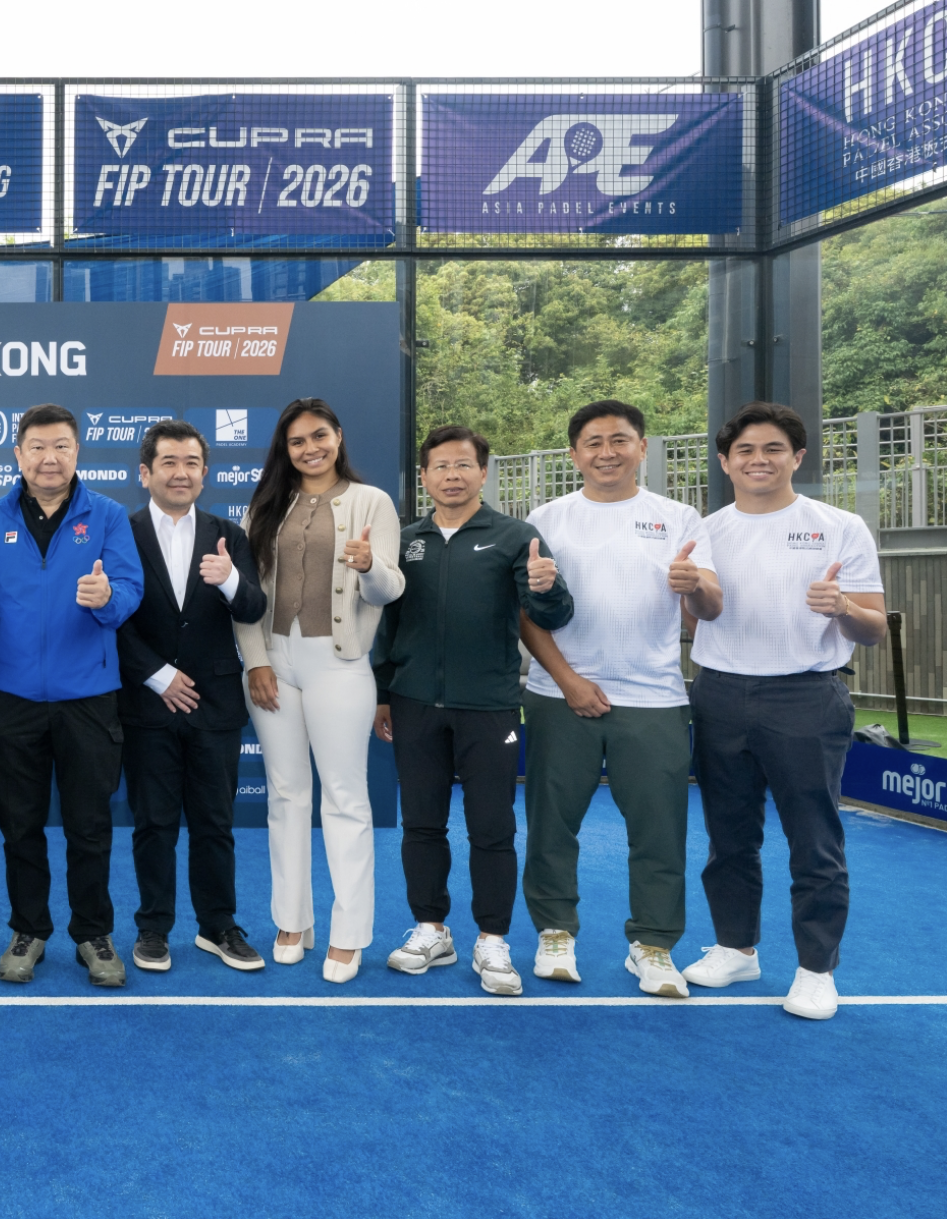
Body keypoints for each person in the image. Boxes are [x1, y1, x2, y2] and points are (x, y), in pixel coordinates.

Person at [678, 401, 885, 1021]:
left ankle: (816, 970)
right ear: (725, 462)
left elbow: (874, 627)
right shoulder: (705, 530)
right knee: (728, 835)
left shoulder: (840, 526)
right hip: (719, 692)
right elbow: (700, 618)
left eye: (773, 449)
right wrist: (691, 591)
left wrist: (843, 608)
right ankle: (735, 947)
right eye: (744, 450)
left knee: (814, 840)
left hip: (806, 696)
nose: (758, 460)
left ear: (798, 457)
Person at [520, 400, 720, 998]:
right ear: (574, 454)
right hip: (560, 696)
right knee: (552, 825)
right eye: (593, 442)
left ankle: (652, 945)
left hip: (654, 698)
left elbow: (707, 610)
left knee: (659, 832)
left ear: (642, 447)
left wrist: (696, 586)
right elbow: (527, 615)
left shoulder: (679, 517)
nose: (607, 452)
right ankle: (555, 932)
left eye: (620, 440)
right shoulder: (546, 518)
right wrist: (568, 681)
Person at [373, 425, 573, 996]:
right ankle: (431, 929)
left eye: (463, 465)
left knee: (492, 826)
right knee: (421, 823)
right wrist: (384, 692)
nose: (452, 476)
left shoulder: (517, 537)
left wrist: (547, 588)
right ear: (425, 477)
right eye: (440, 466)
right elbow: (387, 623)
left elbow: (551, 615)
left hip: (489, 707)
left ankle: (492, 939)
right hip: (414, 704)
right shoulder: (405, 541)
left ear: (483, 473)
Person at [0, 403, 144, 989]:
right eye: (38, 447)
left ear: (77, 451)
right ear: (18, 455)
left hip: (89, 697)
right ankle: (28, 929)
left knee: (89, 825)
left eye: (62, 446)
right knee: (20, 825)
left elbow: (130, 589)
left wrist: (107, 599)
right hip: (11, 699)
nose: (50, 458)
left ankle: (93, 933)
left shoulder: (108, 515)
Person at [235, 398, 402, 983]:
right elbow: (246, 598)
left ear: (339, 436)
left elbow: (388, 590)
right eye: (298, 441)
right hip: (274, 663)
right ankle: (292, 922)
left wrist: (368, 566)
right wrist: (256, 662)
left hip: (340, 662)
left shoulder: (372, 501)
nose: (311, 448)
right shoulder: (264, 507)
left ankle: (349, 934)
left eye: (320, 436)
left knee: (345, 797)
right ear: (285, 450)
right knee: (285, 796)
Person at [116, 419, 267, 975]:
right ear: (145, 473)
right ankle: (153, 928)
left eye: (191, 463)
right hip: (147, 702)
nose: (180, 473)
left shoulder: (229, 534)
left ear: (205, 473)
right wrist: (156, 675)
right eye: (169, 463)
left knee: (214, 823)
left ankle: (217, 926)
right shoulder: (120, 531)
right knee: (153, 824)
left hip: (214, 703)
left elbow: (253, 607)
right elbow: (108, 618)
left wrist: (228, 579)